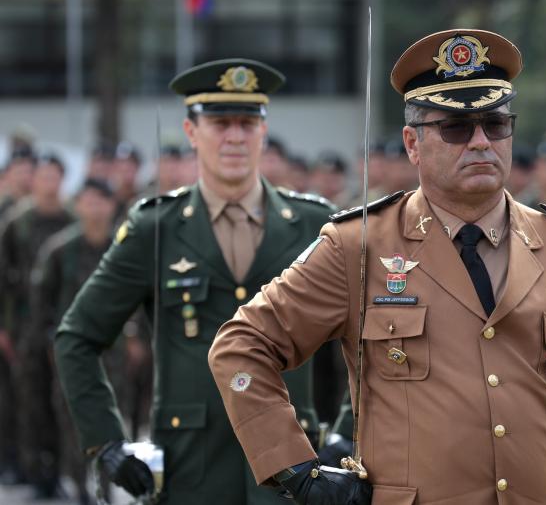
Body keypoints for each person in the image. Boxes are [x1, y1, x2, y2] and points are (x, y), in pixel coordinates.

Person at [208, 28, 546, 504]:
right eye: (457, 128)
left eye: (496, 124)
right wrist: (297, 470)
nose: (481, 142)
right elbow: (242, 346)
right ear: (412, 143)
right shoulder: (357, 247)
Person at [54, 58, 335, 504]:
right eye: (221, 122)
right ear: (191, 132)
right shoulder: (156, 229)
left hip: (296, 466)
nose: (235, 136)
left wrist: (347, 432)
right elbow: (77, 338)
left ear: (264, 130)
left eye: (247, 122)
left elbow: (364, 343)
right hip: (193, 468)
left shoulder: (314, 224)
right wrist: (106, 442)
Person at [30, 178, 120, 504]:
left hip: (115, 353)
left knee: (114, 417)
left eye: (102, 200)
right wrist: (50, 343)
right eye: (89, 200)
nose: (95, 208)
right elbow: (41, 304)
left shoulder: (123, 248)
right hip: (71, 352)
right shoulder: (59, 250)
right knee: (71, 419)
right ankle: (79, 484)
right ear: (78, 204)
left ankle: (108, 484)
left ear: (112, 205)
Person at [0, 152, 74, 497]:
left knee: (62, 401)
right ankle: (35, 473)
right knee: (28, 400)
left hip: (63, 325)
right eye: (42, 176)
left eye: (53, 176)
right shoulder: (18, 223)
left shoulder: (71, 220)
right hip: (24, 327)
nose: (48, 183)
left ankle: (63, 470)